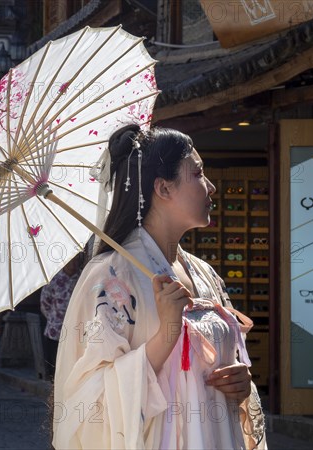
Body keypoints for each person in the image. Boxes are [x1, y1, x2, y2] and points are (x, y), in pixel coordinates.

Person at [52, 125, 265, 449]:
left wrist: (239, 382)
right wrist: (167, 331)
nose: (211, 187)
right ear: (164, 188)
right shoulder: (110, 278)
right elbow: (90, 399)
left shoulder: (203, 273)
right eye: (198, 174)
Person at [40, 253, 83, 381]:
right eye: (71, 262)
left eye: (76, 261)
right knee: (53, 368)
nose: (74, 265)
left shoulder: (81, 277)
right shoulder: (54, 279)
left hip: (74, 332)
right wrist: (55, 318)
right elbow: (44, 302)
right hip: (54, 331)